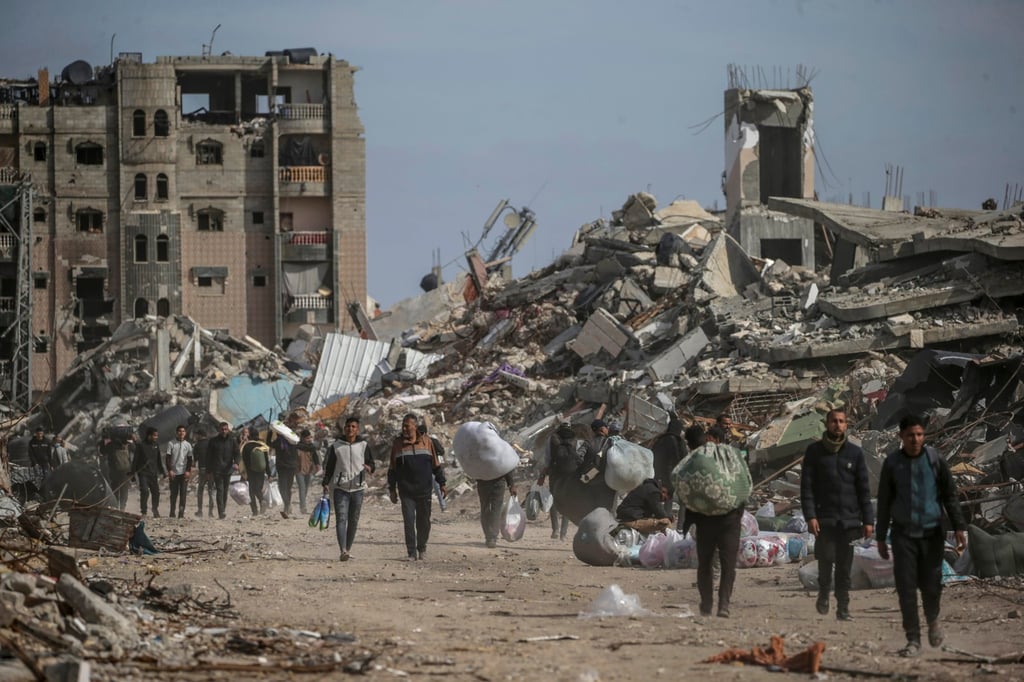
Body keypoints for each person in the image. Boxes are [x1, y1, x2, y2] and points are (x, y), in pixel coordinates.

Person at [876, 414, 967, 659]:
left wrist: (959, 526)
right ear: (901, 437)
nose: (915, 439)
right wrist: (880, 537)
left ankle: (933, 619)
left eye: (919, 435)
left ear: (923, 436)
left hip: (932, 533)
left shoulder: (935, 460)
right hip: (903, 535)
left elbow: (950, 495)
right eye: (910, 435)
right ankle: (913, 639)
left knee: (931, 584)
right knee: (906, 588)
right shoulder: (893, 464)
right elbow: (884, 502)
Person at [801, 407, 873, 621]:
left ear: (846, 425)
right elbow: (807, 488)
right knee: (825, 560)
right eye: (834, 421)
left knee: (844, 567)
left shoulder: (855, 453)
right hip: (824, 520)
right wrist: (810, 516)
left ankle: (843, 608)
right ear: (827, 424)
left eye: (841, 421)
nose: (838, 425)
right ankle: (823, 592)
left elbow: (864, 490)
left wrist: (868, 520)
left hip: (849, 521)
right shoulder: (814, 452)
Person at [672, 424, 752, 618]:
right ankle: (723, 605)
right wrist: (737, 511)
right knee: (728, 564)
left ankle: (707, 604)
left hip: (705, 520)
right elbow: (745, 483)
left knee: (705, 564)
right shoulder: (732, 455)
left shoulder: (696, 458)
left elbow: (680, 481)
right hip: (730, 520)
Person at [387, 413, 446, 560]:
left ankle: (422, 547)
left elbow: (436, 466)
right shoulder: (397, 445)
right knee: (409, 521)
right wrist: (392, 489)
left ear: (415, 426)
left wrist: (442, 483)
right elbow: (392, 469)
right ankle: (411, 552)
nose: (404, 429)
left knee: (424, 522)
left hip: (424, 490)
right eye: (403, 426)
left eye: (407, 426)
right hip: (406, 491)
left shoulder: (427, 442)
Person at [322, 416, 375, 560]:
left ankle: (348, 548)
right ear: (344, 428)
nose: (350, 429)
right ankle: (343, 550)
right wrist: (325, 482)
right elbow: (330, 466)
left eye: (353, 426)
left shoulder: (363, 446)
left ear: (357, 429)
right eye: (348, 426)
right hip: (341, 488)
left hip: (358, 489)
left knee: (353, 520)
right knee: (341, 518)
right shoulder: (336, 446)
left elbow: (371, 463)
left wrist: (369, 468)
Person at [538, 422, 593, 540]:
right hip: (570, 473)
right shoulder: (576, 440)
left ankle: (555, 530)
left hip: (555, 472)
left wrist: (544, 473)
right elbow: (578, 457)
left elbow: (547, 458)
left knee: (553, 499)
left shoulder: (551, 439)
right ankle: (563, 533)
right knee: (567, 500)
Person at [652, 417, 687, 522]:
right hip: (672, 474)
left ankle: (660, 520)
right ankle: (673, 524)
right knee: (673, 499)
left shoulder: (661, 439)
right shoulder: (678, 441)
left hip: (658, 474)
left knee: (659, 498)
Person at [207, 422, 239, 519]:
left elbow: (237, 453)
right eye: (222, 429)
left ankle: (223, 510)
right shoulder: (213, 441)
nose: (224, 431)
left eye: (225, 429)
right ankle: (221, 512)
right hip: (217, 469)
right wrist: (209, 471)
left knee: (225, 491)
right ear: (219, 430)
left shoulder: (232, 441)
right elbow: (209, 457)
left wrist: (236, 463)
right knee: (220, 490)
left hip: (228, 470)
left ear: (228, 430)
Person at [477, 470, 516, 548]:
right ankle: (492, 538)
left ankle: (490, 537)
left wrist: (511, 485)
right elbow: (506, 467)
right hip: (496, 482)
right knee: (495, 510)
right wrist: (511, 484)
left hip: (485, 482)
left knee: (487, 509)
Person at [132, 427, 166, 517]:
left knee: (156, 492)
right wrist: (132, 474)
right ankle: (144, 511)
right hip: (143, 473)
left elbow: (158, 460)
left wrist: (163, 472)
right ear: (149, 436)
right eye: (154, 435)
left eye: (157, 436)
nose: (156, 437)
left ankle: (155, 509)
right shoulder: (141, 445)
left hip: (153, 473)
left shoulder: (156, 445)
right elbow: (135, 460)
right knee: (145, 491)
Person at [271, 424, 299, 519]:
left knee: (283, 488)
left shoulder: (279, 442)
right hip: (290, 467)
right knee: (287, 488)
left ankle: (287, 505)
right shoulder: (293, 441)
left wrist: (270, 432)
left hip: (283, 467)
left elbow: (269, 443)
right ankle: (287, 505)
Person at [165, 425, 194, 519]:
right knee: (173, 494)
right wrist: (170, 470)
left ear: (185, 433)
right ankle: (172, 513)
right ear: (176, 432)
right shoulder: (171, 443)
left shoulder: (188, 445)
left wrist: (188, 471)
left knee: (183, 494)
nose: (181, 433)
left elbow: (190, 459)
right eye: (180, 431)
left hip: (183, 473)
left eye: (183, 431)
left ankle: (181, 514)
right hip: (174, 473)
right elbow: (168, 458)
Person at [418, 423, 447, 511]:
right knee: (434, 488)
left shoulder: (427, 441)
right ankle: (441, 506)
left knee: (431, 488)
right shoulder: (430, 441)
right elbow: (441, 451)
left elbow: (441, 451)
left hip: (429, 468)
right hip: (430, 468)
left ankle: (440, 506)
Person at [240, 433, 271, 517]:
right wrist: (269, 474)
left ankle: (254, 511)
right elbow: (266, 462)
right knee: (258, 489)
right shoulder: (262, 446)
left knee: (251, 492)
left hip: (250, 472)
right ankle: (262, 500)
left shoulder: (246, 446)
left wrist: (243, 472)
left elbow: (243, 460)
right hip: (260, 471)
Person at [295, 429, 322, 516]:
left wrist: (317, 465)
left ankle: (302, 504)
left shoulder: (311, 447)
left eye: (309, 438)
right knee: (302, 488)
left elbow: (315, 457)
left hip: (309, 470)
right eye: (307, 438)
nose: (309, 440)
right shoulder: (297, 447)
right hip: (299, 470)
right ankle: (303, 507)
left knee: (306, 488)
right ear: (302, 438)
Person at [193, 429, 215, 518]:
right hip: (212, 471)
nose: (196, 437)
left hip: (202, 470)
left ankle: (200, 511)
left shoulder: (197, 445)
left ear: (200, 435)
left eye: (197, 435)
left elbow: (195, 459)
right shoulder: (211, 444)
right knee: (211, 491)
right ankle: (211, 512)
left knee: (200, 491)